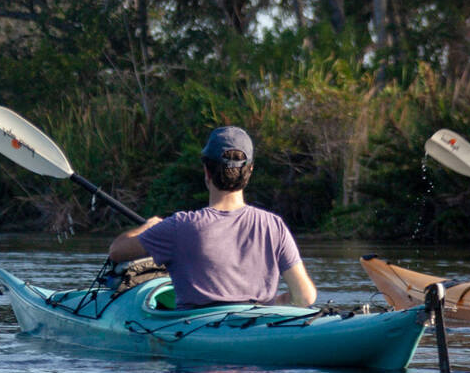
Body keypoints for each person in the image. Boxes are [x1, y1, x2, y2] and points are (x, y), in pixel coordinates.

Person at [108, 126, 317, 309]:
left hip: (196, 331)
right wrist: (273, 305)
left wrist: (148, 226)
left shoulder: (180, 226)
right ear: (250, 170)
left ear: (206, 171)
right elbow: (305, 296)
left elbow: (116, 251)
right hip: (260, 323)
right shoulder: (274, 225)